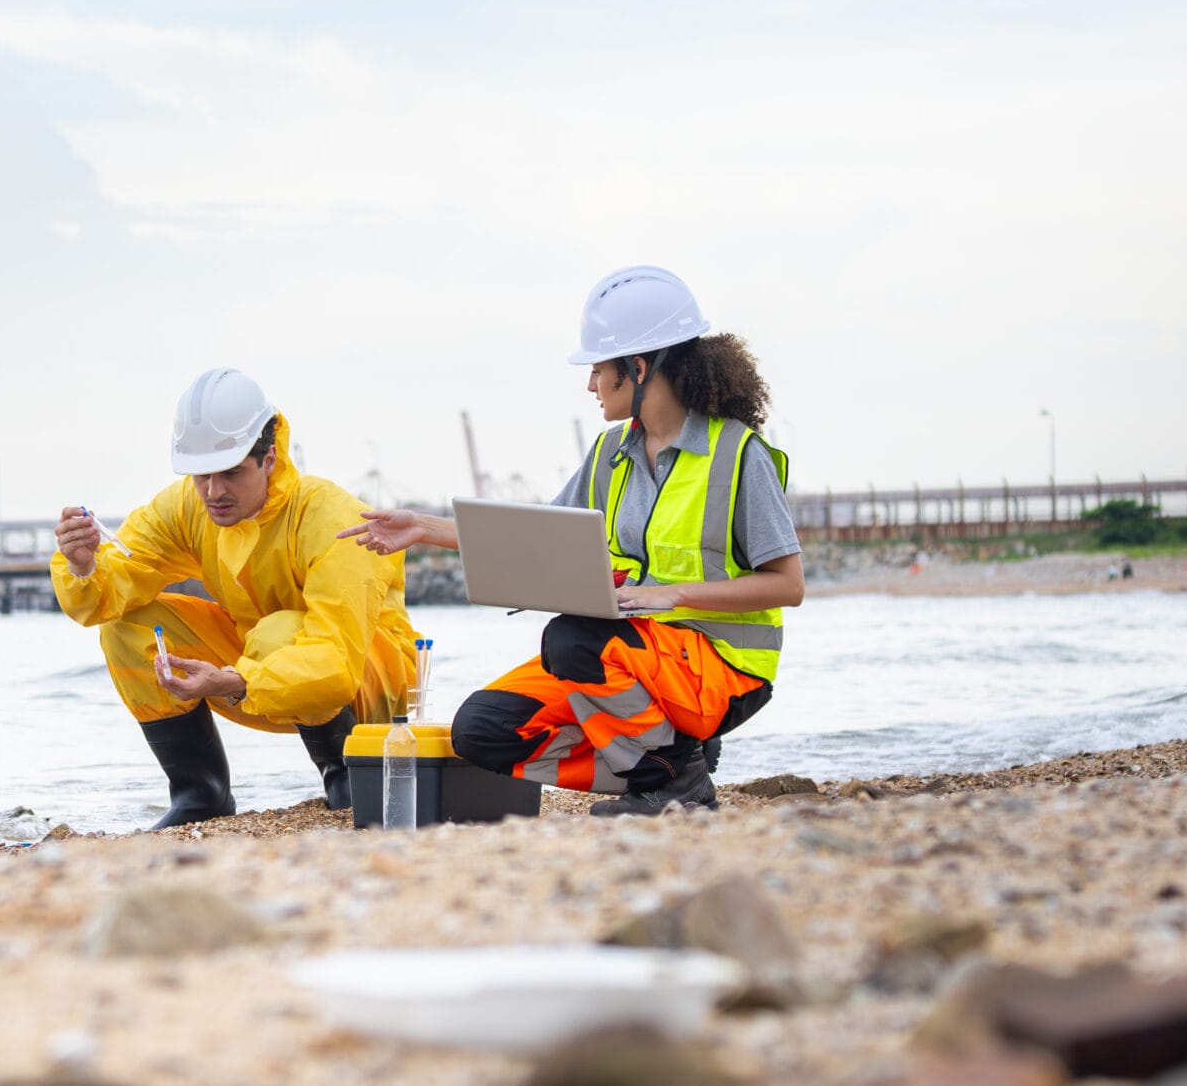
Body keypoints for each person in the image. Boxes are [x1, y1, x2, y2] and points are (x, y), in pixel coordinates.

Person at [342, 266, 803, 816]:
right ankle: (670, 759)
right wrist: (424, 527)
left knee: (572, 639)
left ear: (637, 368)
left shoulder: (738, 455)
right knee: (482, 730)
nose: (590, 385)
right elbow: (533, 536)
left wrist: (670, 595)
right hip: (633, 657)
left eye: (598, 370)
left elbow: (788, 585)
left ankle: (675, 779)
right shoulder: (610, 454)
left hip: (723, 670)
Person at [52, 368, 420, 828]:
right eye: (201, 475)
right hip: (251, 668)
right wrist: (83, 566)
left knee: (280, 632)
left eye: (230, 473)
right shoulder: (188, 507)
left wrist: (234, 681)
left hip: (369, 685)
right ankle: (199, 793)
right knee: (126, 626)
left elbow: (335, 664)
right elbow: (110, 589)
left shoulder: (333, 518)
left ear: (269, 459)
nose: (214, 492)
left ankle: (346, 773)